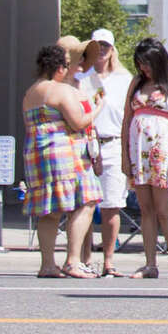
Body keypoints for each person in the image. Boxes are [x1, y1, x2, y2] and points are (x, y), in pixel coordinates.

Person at [20, 43, 101, 279]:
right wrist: (97, 109)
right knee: (86, 201)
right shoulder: (60, 90)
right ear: (58, 67)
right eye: (66, 66)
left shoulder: (31, 92)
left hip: (36, 153)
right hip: (65, 153)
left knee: (49, 211)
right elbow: (78, 122)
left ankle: (47, 265)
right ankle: (73, 261)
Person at [122, 37, 168, 279]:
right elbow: (127, 118)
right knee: (145, 208)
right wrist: (124, 154)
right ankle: (150, 263)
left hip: (162, 149)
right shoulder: (137, 83)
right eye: (140, 63)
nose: (144, 68)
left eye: (148, 63)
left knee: (163, 209)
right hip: (138, 150)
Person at [73, 28, 132, 276]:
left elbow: (129, 116)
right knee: (85, 204)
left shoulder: (124, 78)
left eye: (106, 46)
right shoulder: (80, 78)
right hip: (85, 143)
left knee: (111, 206)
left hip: (114, 142)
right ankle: (84, 258)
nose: (102, 51)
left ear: (112, 50)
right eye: (97, 46)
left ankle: (109, 260)